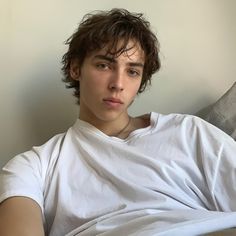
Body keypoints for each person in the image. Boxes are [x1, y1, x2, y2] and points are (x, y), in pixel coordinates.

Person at [0, 8, 236, 236]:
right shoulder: (34, 166)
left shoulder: (189, 132)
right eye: (104, 65)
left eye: (132, 71)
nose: (118, 83)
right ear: (75, 68)